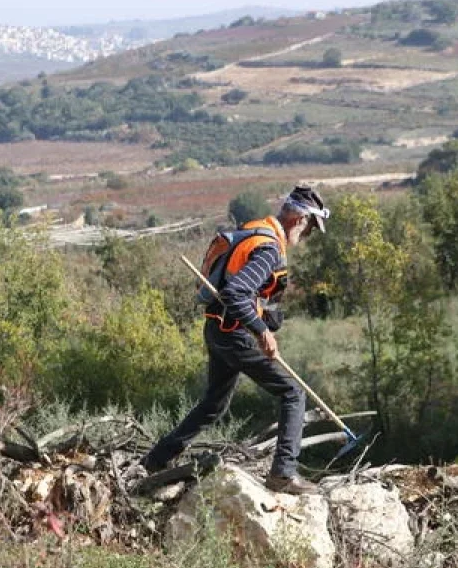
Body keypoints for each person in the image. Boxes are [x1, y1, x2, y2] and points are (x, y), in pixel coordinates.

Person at [141, 185, 330, 495]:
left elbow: (238, 290)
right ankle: (283, 474)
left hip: (217, 329)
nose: (307, 235)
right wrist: (261, 330)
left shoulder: (254, 230)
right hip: (235, 335)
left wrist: (265, 321)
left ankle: (157, 459)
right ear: (299, 220)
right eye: (309, 229)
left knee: (214, 403)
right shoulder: (269, 249)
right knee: (293, 393)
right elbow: (235, 293)